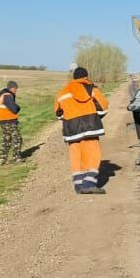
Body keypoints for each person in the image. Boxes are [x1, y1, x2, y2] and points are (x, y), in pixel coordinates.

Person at [55, 67, 109, 195]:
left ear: (74, 78)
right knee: (92, 153)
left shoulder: (62, 93)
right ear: (86, 76)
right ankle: (89, 183)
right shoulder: (92, 89)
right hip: (90, 126)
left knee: (76, 155)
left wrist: (70, 117)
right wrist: (94, 116)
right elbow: (103, 107)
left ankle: (79, 185)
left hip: (71, 128)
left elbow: (58, 113)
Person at [0, 81, 22, 164]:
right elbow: (14, 109)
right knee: (17, 139)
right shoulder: (8, 95)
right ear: (13, 88)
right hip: (9, 120)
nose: (16, 90)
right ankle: (16, 158)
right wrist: (18, 107)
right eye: (16, 89)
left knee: (7, 139)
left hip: (2, 120)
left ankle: (2, 159)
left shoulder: (3, 95)